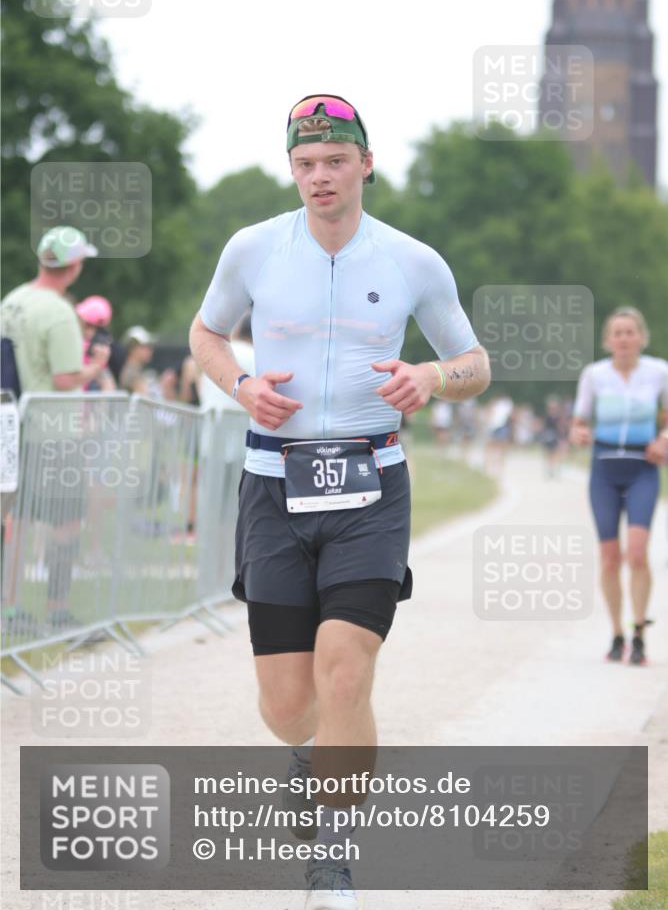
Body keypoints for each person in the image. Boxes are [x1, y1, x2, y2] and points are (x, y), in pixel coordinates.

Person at [190, 94, 491, 909]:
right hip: (273, 484)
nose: (319, 177)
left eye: (334, 161)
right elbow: (205, 335)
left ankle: (334, 858)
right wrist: (243, 384)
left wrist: (430, 376)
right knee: (290, 706)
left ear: (365, 163)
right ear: (292, 169)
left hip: (371, 487)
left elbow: (473, 361)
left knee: (347, 671)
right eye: (305, 164)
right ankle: (310, 749)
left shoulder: (412, 261)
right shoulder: (253, 250)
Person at [0, 226, 110, 628]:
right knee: (65, 524)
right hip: (56, 433)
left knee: (17, 523)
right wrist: (96, 367)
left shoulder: (12, 300)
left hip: (14, 430)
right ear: (74, 265)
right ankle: (56, 609)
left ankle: (10, 609)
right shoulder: (59, 311)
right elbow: (66, 378)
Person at [569, 307, 668, 666]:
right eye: (617, 333)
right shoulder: (595, 375)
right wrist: (578, 431)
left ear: (642, 337)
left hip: (643, 468)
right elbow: (578, 421)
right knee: (610, 557)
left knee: (638, 553)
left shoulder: (659, 372)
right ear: (608, 340)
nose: (624, 339)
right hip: (604, 471)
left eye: (630, 332)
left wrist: (665, 439)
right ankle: (617, 632)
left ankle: (639, 631)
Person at [74, 295, 117, 392]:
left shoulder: (96, 352)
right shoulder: (76, 345)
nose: (90, 332)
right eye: (87, 325)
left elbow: (108, 386)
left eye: (98, 329)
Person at [119, 325, 157, 396]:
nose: (150, 351)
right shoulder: (132, 373)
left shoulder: (135, 370)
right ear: (132, 349)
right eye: (144, 347)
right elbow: (146, 402)